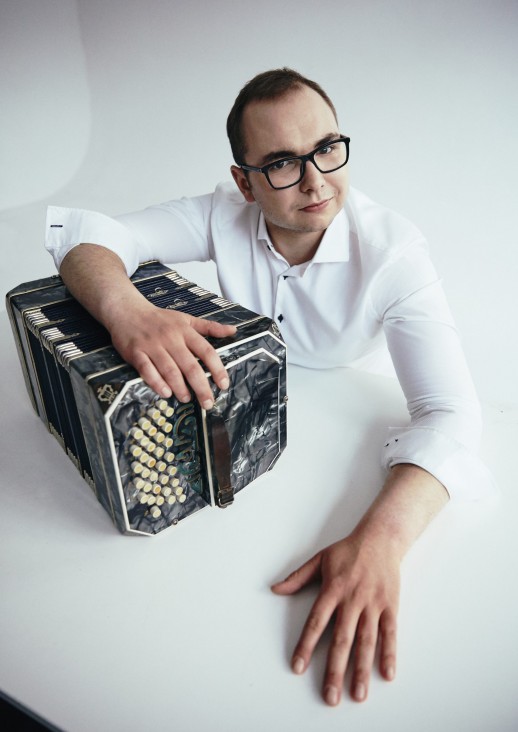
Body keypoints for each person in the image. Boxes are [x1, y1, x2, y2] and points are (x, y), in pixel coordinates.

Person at [45, 68, 492, 706]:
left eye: (327, 149)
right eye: (282, 162)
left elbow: (451, 412)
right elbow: (87, 236)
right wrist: (129, 312)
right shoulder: (220, 213)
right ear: (243, 181)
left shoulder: (395, 254)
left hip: (335, 431)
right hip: (232, 447)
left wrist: (382, 541)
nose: (315, 180)